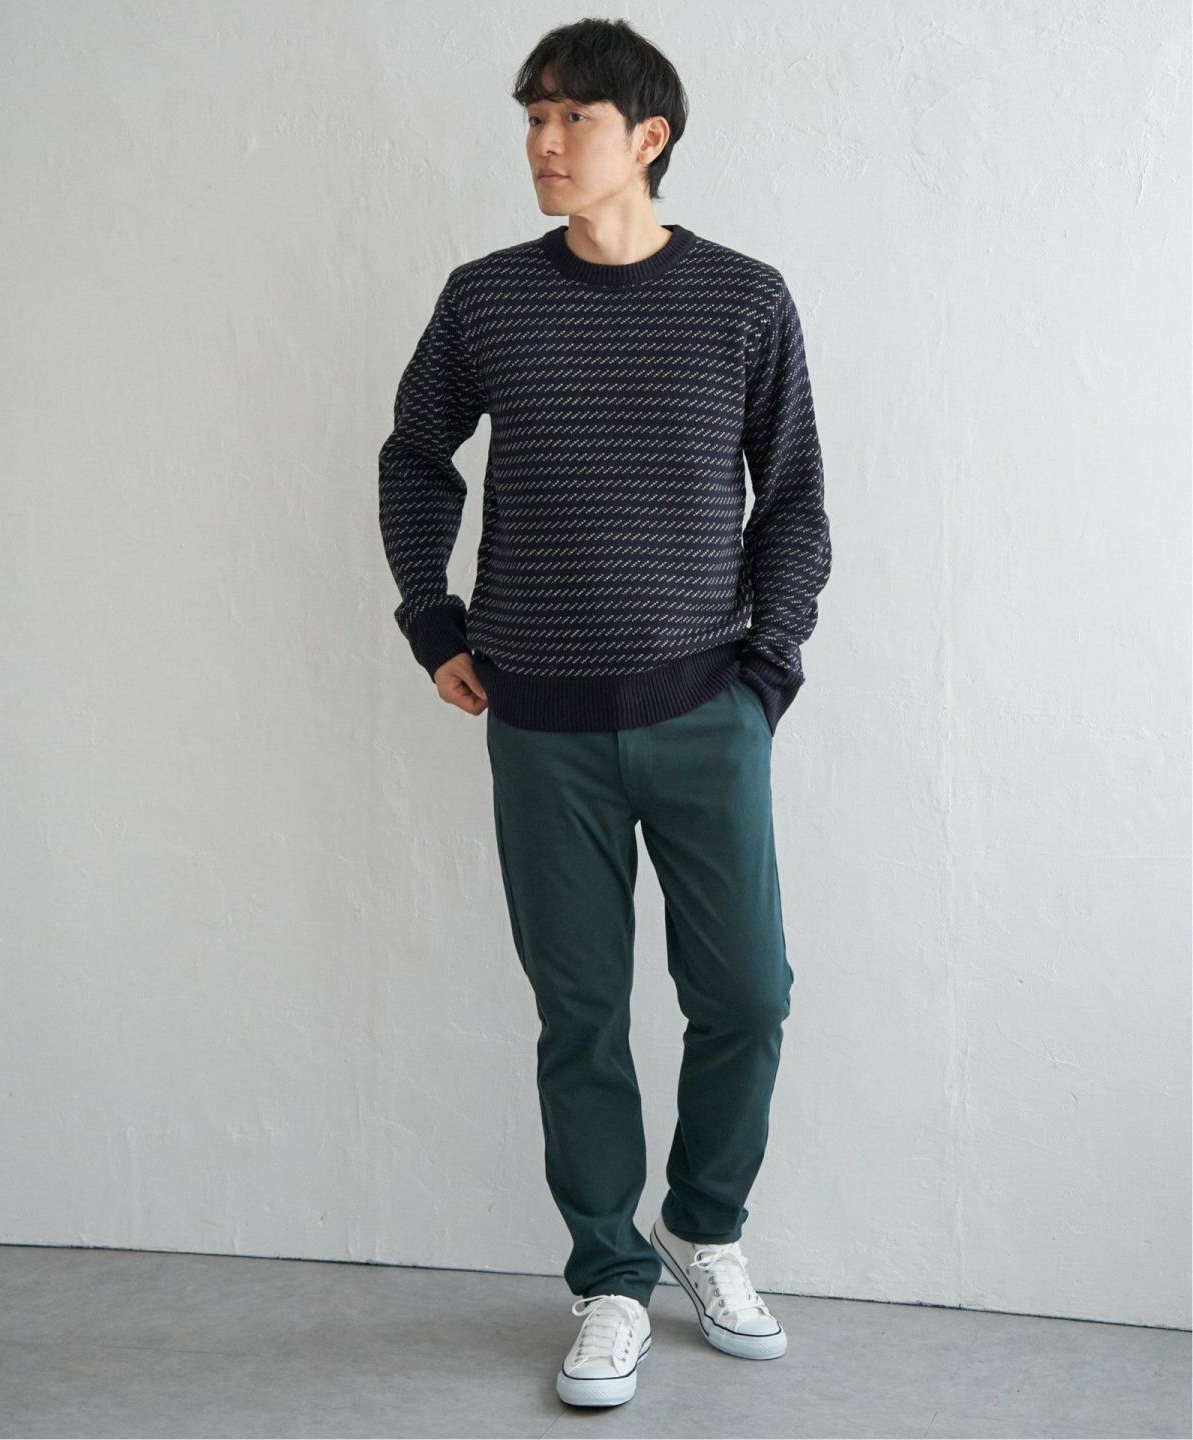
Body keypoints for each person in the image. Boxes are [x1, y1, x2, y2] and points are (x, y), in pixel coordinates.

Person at [378, 17, 832, 1410]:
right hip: (541, 726)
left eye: (571, 118)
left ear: (648, 139)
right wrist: (433, 621)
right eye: (532, 118)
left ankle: (703, 1226)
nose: (543, 143)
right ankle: (609, 1279)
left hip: (707, 710)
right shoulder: (487, 299)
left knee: (747, 995)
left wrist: (765, 676)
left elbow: (794, 500)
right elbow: (414, 455)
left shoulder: (744, 299)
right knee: (579, 1015)